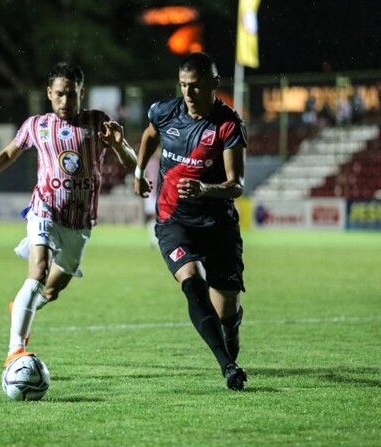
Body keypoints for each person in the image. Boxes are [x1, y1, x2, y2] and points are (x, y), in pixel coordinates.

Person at [0, 62, 137, 368]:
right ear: (49, 93)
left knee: (51, 289)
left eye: (72, 95)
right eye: (60, 94)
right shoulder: (36, 125)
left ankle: (23, 306)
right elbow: (8, 154)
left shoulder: (98, 122)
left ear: (82, 93)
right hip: (44, 210)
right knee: (37, 273)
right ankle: (15, 351)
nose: (65, 102)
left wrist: (118, 145)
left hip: (80, 223)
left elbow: (130, 162)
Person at [133, 52, 248, 391]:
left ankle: (231, 332)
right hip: (173, 221)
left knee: (226, 310)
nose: (188, 93)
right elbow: (150, 135)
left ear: (214, 84)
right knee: (192, 285)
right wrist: (140, 171)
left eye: (195, 86)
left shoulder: (228, 125)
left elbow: (236, 185)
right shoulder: (164, 111)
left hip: (218, 227)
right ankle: (227, 367)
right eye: (183, 85)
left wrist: (205, 189)